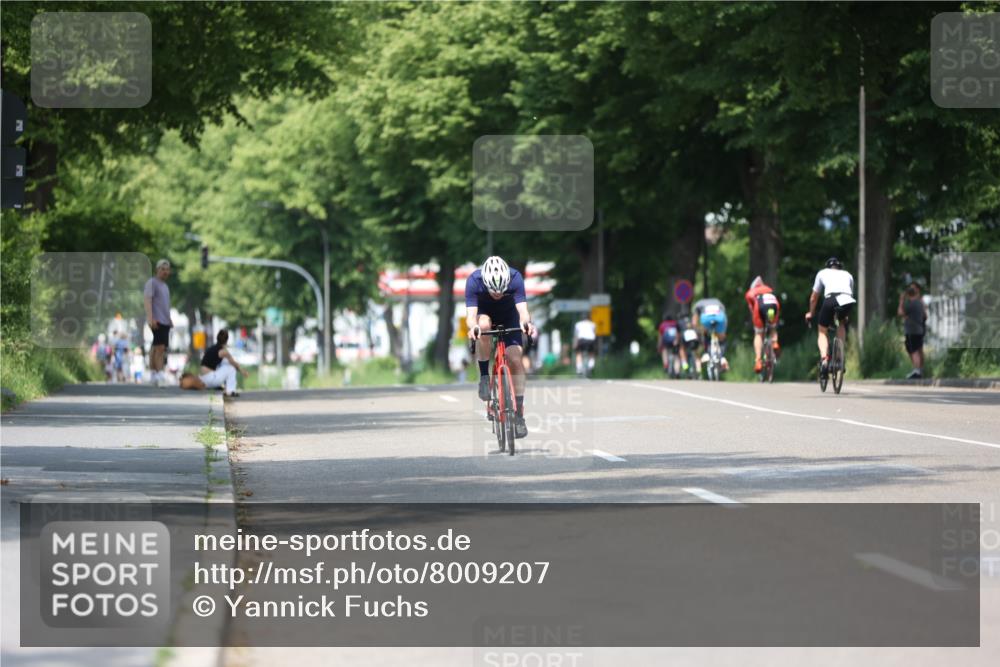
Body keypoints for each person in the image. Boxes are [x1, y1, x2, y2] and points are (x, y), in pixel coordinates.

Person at [465, 256, 538, 438]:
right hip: (484, 315)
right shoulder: (474, 281)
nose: (497, 294)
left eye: (501, 290)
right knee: (483, 326)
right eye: (492, 291)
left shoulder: (515, 278)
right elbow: (470, 316)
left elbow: (523, 311)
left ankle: (519, 415)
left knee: (515, 359)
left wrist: (526, 324)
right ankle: (484, 376)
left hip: (509, 317)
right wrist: (472, 327)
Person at [805, 257, 856, 377]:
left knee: (822, 331)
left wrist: (811, 313)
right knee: (841, 323)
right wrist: (845, 315)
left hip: (830, 300)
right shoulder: (848, 274)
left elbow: (813, 298)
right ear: (840, 267)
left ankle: (824, 360)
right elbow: (849, 293)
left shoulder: (822, 273)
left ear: (828, 266)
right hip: (847, 300)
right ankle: (840, 358)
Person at [143, 259, 173, 387]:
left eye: (167, 269)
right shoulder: (152, 283)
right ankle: (160, 374)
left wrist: (170, 319)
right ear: (157, 270)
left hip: (165, 321)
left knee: (157, 347)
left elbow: (165, 305)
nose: (165, 272)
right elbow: (147, 300)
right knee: (160, 348)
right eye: (163, 269)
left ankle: (154, 375)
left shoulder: (165, 286)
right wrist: (150, 318)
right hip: (157, 320)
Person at [745, 276, 782, 373]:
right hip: (773, 304)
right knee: (773, 328)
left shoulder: (750, 293)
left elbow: (752, 310)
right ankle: (774, 342)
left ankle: (758, 360)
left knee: (758, 334)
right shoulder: (768, 289)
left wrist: (757, 323)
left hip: (760, 306)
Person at [199, 329, 248, 397]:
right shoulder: (224, 351)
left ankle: (222, 387)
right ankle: (230, 391)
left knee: (225, 363)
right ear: (227, 340)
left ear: (217, 338)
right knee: (231, 368)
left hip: (203, 379)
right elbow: (234, 363)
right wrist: (242, 371)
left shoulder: (211, 348)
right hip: (210, 379)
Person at [898, 281, 927, 379]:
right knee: (918, 350)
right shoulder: (920, 303)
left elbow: (900, 312)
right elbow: (924, 315)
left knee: (914, 350)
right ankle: (919, 370)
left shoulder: (910, 304)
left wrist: (901, 300)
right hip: (919, 329)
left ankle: (917, 371)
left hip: (912, 331)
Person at [692, 296, 729, 372]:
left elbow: (694, 322)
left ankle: (706, 353)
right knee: (722, 337)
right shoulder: (718, 302)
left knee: (705, 332)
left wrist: (698, 331)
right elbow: (724, 317)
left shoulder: (698, 304)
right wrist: (723, 332)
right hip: (719, 317)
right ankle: (722, 358)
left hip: (706, 318)